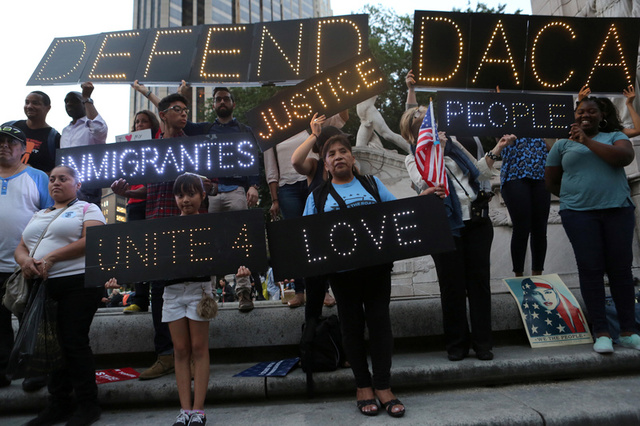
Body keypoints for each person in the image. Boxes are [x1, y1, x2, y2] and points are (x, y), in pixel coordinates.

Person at [400, 97, 512, 361]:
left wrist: (497, 149)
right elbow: (424, 182)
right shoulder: (413, 158)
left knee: (479, 285)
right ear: (412, 133)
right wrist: (434, 149)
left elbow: (479, 173)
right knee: (452, 287)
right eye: (422, 123)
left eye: (431, 120)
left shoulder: (455, 146)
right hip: (445, 225)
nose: (431, 126)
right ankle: (456, 345)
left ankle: (483, 343)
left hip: (476, 220)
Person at [132, 81, 258, 312]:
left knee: (241, 243)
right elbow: (170, 113)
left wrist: (254, 185)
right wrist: (147, 92)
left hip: (236, 191)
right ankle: (205, 297)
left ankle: (244, 291)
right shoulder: (203, 130)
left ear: (233, 103)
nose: (221, 102)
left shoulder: (244, 131)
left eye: (225, 98)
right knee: (204, 246)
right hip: (210, 197)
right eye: (218, 99)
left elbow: (252, 158)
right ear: (213, 104)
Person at [303, 134, 404, 418]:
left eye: (343, 151)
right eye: (331, 153)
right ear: (325, 163)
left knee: (380, 324)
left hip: (377, 271)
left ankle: (383, 385)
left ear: (352, 157)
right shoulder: (317, 197)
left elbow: (397, 213)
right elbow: (308, 238)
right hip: (343, 276)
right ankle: (363, 386)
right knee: (351, 328)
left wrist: (423, 201)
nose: (338, 156)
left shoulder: (373, 184)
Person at [111, 93, 209, 381]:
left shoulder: (190, 147)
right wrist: (127, 192)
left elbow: (206, 184)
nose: (184, 114)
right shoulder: (148, 148)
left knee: (193, 288)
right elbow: (150, 190)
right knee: (159, 293)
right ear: (163, 114)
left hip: (188, 226)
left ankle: (194, 356)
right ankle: (166, 356)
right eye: (178, 109)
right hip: (156, 226)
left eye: (186, 110)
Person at [545, 96, 640, 354]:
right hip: (579, 215)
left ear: (602, 115)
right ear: (574, 116)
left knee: (620, 270)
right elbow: (551, 181)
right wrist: (574, 197)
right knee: (591, 270)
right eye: (580, 111)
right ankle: (602, 332)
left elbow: (623, 157)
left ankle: (629, 332)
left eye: (591, 111)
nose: (584, 115)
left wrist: (586, 142)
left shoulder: (614, 136)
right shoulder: (562, 144)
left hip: (616, 210)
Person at [16, 165, 106, 426]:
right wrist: (25, 262)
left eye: (63, 179)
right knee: (50, 344)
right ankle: (59, 405)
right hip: (43, 287)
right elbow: (21, 246)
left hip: (79, 285)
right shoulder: (39, 214)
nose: (55, 183)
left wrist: (51, 257)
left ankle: (88, 405)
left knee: (73, 342)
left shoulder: (89, 209)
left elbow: (92, 240)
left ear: (77, 184)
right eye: (52, 179)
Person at [265, 112, 347, 310]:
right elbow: (270, 168)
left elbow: (341, 119)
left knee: (318, 236)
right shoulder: (271, 132)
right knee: (297, 241)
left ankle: (323, 289)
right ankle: (300, 291)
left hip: (312, 180)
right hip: (287, 188)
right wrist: (274, 198)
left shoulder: (310, 123)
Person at [0, 124, 53, 390]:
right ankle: (2, 371)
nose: (4, 146)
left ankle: (34, 371)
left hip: (25, 265)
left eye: (11, 142)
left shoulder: (39, 177)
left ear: (23, 149)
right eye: (0, 141)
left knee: (31, 320)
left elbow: (49, 217)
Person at [164, 173, 212, 426]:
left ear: (202, 196)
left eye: (191, 194)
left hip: (199, 289)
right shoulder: (165, 229)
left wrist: (241, 267)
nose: (185, 200)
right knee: (180, 350)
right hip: (171, 292)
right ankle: (184, 410)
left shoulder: (211, 226)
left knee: (199, 348)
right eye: (180, 195)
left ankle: (199, 409)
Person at [116, 110, 161, 314]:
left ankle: (160, 297)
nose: (139, 125)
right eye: (136, 122)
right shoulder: (128, 150)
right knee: (138, 255)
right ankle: (140, 299)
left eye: (144, 121)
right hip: (134, 205)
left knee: (157, 252)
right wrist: (124, 191)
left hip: (154, 204)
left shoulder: (160, 142)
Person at [493, 136, 551, 276]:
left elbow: (551, 149)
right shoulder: (507, 122)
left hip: (540, 175)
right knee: (521, 227)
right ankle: (518, 277)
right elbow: (497, 138)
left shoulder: (539, 121)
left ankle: (538, 276)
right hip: (515, 174)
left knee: (540, 229)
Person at [61, 82, 108, 206]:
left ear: (83, 104)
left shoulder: (90, 127)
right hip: (65, 187)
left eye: (74, 100)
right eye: (66, 101)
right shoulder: (65, 131)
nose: (69, 104)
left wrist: (87, 98)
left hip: (88, 187)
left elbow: (99, 129)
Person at [8, 91, 61, 173]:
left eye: (35, 103)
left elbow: (58, 172)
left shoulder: (54, 138)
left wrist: (32, 172)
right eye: (27, 102)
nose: (29, 106)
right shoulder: (11, 127)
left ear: (48, 108)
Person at [520, 277, 587, 336]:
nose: (545, 298)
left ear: (555, 293)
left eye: (548, 292)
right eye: (537, 294)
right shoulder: (531, 314)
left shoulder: (573, 312)